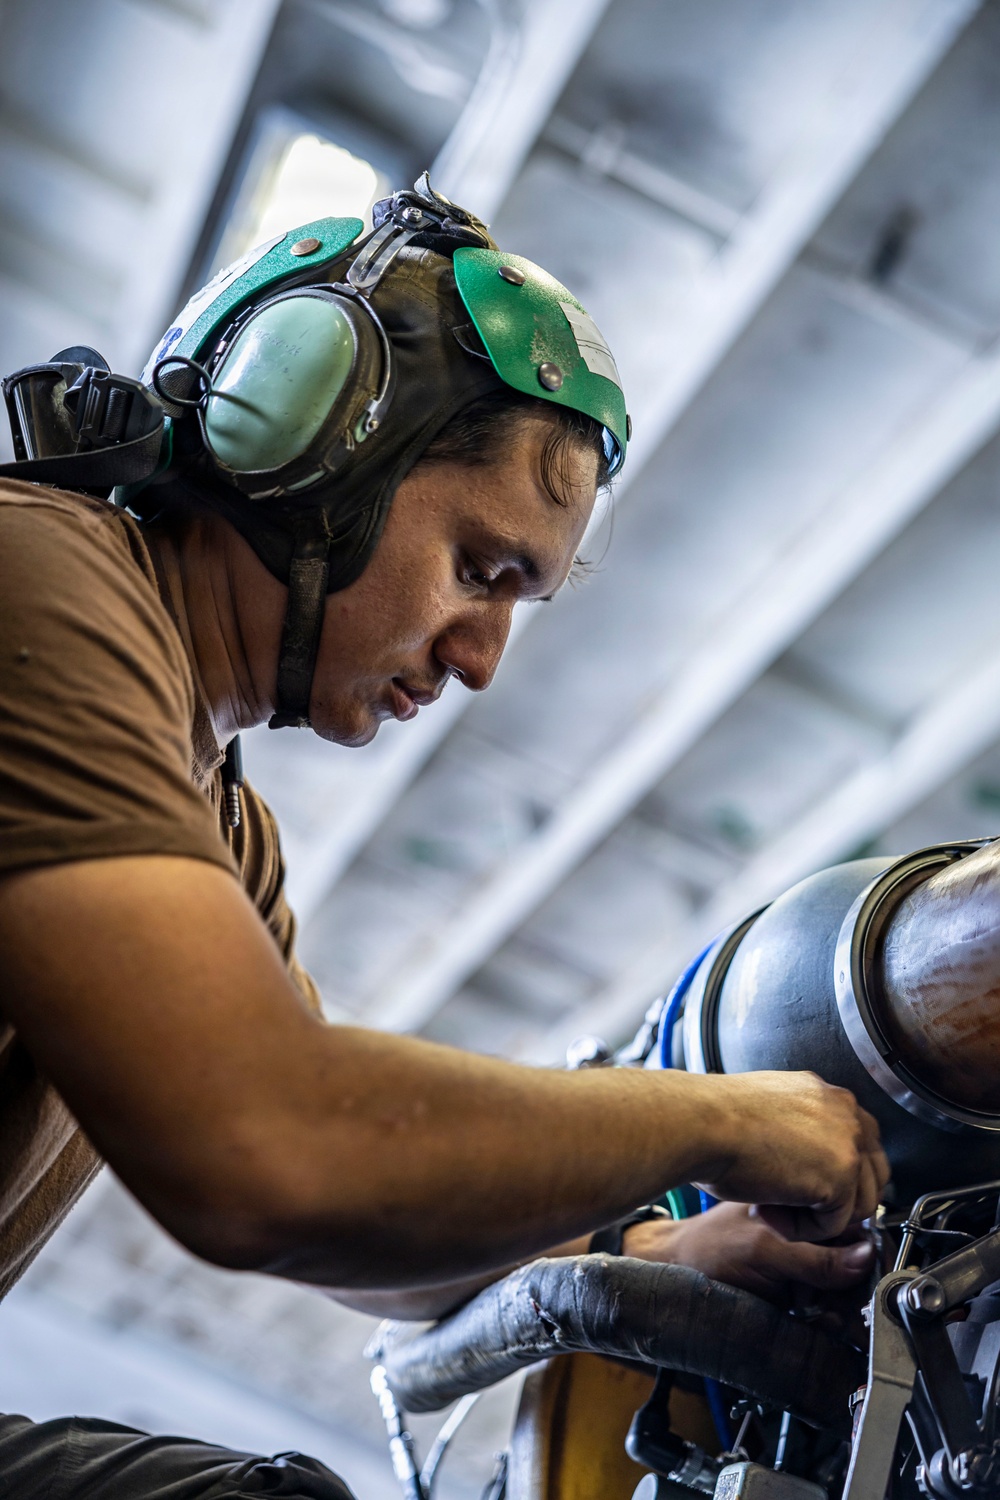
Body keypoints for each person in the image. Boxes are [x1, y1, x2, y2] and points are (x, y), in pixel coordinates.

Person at [0, 178, 888, 1498]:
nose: (480, 659)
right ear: (299, 433)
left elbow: (368, 1230)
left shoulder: (221, 824)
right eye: (482, 570)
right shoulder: (41, 582)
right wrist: (716, 1118)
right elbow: (269, 1156)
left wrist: (650, 1251)